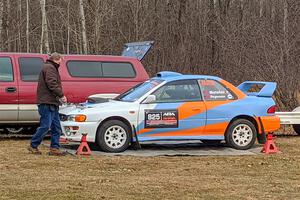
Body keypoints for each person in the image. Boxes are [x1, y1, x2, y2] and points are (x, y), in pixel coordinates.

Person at [28, 52, 67, 156]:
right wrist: (61, 95)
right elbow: (52, 83)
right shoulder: (50, 68)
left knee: (56, 127)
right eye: (60, 61)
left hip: (52, 102)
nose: (60, 63)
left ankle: (54, 148)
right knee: (45, 126)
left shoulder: (50, 67)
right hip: (47, 102)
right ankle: (33, 145)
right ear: (56, 59)